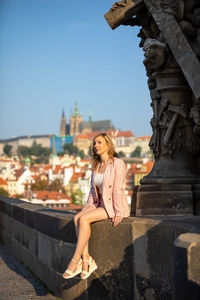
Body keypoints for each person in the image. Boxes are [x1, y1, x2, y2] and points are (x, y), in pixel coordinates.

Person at [62, 132, 130, 280]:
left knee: (84, 220)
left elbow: (117, 189)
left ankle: (76, 260)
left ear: (108, 144)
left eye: (99, 142)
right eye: (94, 143)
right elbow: (93, 190)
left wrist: (118, 212)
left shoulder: (118, 163)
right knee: (77, 218)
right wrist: (87, 207)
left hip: (112, 205)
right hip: (99, 204)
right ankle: (87, 260)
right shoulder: (97, 165)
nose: (96, 145)